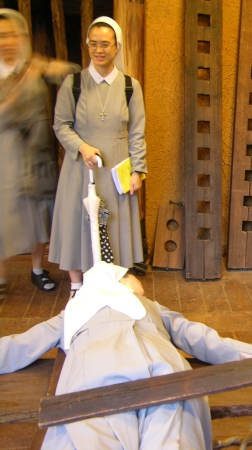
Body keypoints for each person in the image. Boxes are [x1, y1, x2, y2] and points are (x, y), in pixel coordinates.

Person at [0, 262, 252, 449]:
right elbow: (19, 346)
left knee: (174, 437)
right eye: (133, 278)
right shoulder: (73, 312)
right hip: (95, 385)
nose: (141, 285)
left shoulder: (151, 306)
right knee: (86, 439)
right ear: (118, 280)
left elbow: (200, 338)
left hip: (162, 377)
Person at [49, 16, 146, 299]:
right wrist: (82, 147)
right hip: (80, 167)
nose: (99, 50)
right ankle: (77, 285)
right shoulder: (73, 84)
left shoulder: (130, 86)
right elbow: (61, 125)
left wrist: (138, 170)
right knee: (78, 220)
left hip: (117, 167)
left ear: (116, 47)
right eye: (93, 44)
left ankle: (112, 282)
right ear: (87, 45)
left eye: (105, 44)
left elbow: (137, 131)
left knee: (113, 222)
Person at [0, 9, 78, 301]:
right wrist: (22, 81)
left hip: (34, 154)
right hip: (0, 155)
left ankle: (37, 269)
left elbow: (74, 71)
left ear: (21, 37)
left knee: (38, 213)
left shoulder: (32, 65)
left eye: (11, 35)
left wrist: (50, 66)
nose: (6, 42)